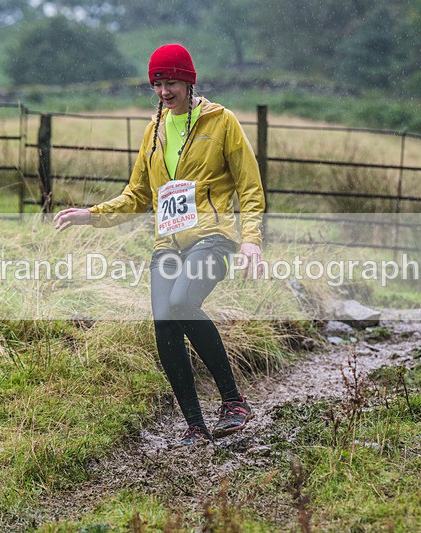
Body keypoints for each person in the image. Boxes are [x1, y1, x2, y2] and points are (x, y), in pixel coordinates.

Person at [54, 43, 265, 448]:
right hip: (167, 243)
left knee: (181, 302)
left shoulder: (222, 122)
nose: (163, 91)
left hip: (213, 237)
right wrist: (91, 214)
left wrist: (251, 240)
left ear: (188, 80)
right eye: (157, 84)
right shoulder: (154, 129)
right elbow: (137, 195)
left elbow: (250, 188)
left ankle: (234, 402)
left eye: (170, 82)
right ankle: (194, 426)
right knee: (164, 322)